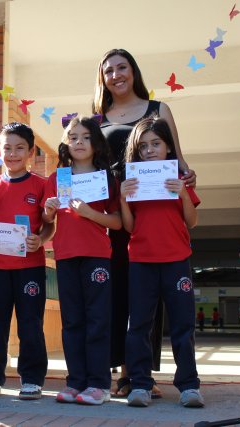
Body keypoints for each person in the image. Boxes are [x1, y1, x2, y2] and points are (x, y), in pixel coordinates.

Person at [93, 48, 196, 398]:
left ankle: (144, 376)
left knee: (153, 299)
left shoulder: (158, 110)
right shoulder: (98, 119)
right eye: (109, 70)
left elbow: (178, 157)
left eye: (122, 67)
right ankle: (125, 371)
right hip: (116, 211)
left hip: (155, 213)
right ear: (102, 78)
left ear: (133, 71)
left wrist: (187, 174)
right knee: (124, 293)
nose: (116, 75)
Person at [119, 116, 203, 408]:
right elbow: (129, 227)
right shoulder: (132, 182)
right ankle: (140, 384)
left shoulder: (179, 179)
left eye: (156, 143)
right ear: (137, 151)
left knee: (183, 325)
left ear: (169, 147)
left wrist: (182, 193)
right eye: (143, 146)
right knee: (139, 325)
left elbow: (192, 221)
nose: (150, 150)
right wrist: (122, 198)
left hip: (177, 259)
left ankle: (189, 386)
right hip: (141, 261)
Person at [0, 122, 54, 401]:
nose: (13, 154)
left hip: (30, 266)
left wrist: (40, 240)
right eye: (7, 148)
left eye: (20, 148)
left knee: (31, 323)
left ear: (31, 152)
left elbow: (48, 225)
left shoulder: (41, 185)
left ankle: (31, 379)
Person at [42, 115, 121, 405]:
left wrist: (90, 214)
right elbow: (47, 221)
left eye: (86, 137)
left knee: (97, 320)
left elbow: (118, 222)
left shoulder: (106, 178)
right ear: (65, 142)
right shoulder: (57, 178)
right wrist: (48, 212)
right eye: (73, 137)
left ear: (96, 142)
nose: (79, 142)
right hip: (65, 255)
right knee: (72, 321)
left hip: (97, 256)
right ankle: (75, 382)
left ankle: (99, 384)